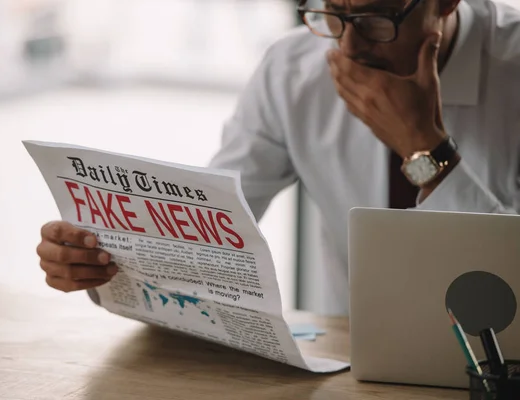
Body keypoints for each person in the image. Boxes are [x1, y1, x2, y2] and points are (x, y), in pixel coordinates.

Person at [36, 0, 520, 312]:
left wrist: (424, 148)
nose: (349, 46)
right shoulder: (294, 69)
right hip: (350, 357)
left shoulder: (512, 64)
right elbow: (211, 227)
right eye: (334, 13)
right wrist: (101, 263)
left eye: (377, 19)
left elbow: (508, 284)